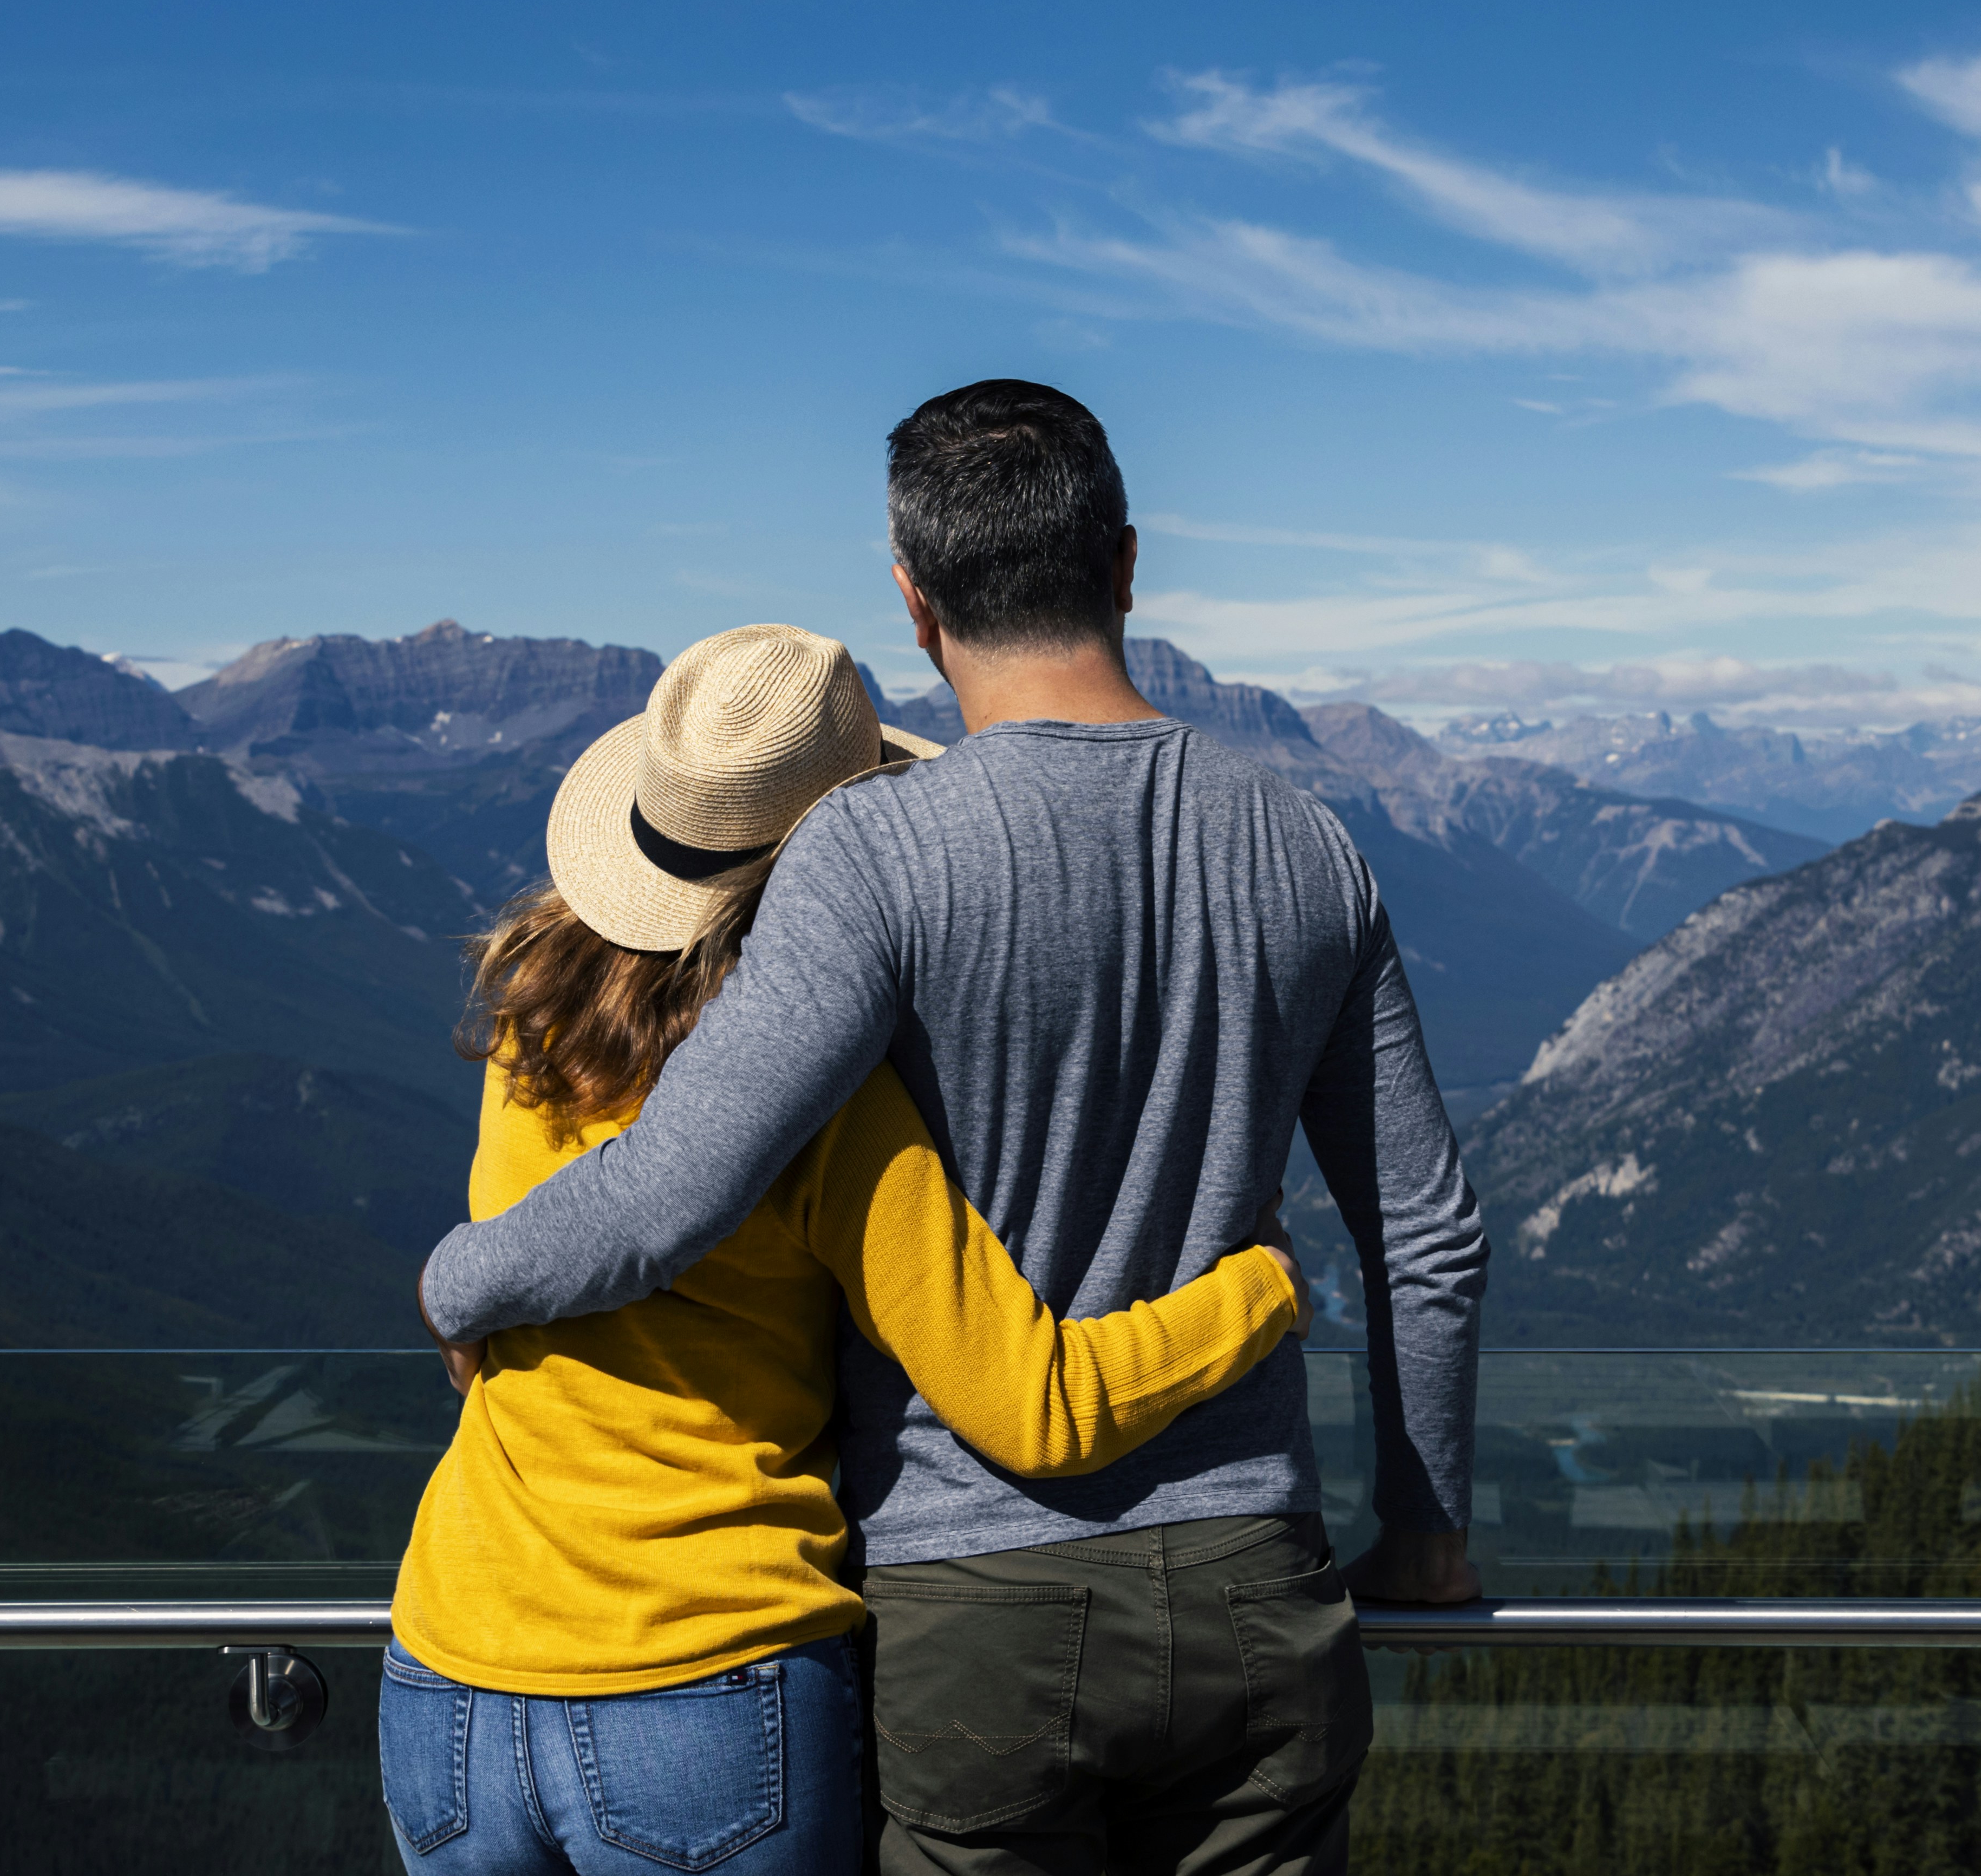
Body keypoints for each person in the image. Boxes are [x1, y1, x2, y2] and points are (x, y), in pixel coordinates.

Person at [422, 381, 1488, 1876]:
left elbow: (671, 1193)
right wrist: (1427, 1534)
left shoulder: (870, 852)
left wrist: (459, 1281)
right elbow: (1428, 1234)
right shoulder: (1308, 844)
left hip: (977, 1594)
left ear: (918, 606)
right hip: (1259, 1570)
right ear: (1125, 564)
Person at [384, 620, 1315, 1876]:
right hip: (701, 1673)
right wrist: (1257, 1288)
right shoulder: (827, 1108)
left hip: (448, 1677)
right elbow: (1041, 1406)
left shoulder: (533, 1032)